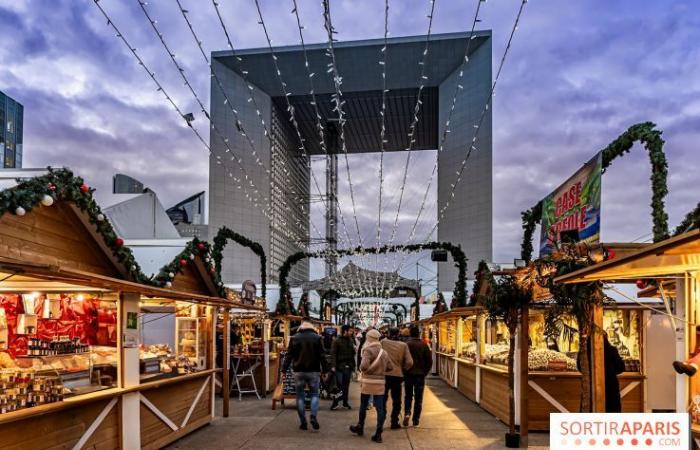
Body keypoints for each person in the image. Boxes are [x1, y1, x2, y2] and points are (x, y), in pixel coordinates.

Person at [283, 321, 328, 431]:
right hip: (314, 371)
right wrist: (325, 370)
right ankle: (313, 415)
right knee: (314, 394)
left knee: (300, 396)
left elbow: (289, 355)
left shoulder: (294, 338)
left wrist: (284, 369)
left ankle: (303, 422)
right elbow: (322, 355)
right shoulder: (318, 338)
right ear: (312, 328)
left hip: (298, 371)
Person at [350, 329, 393, 443]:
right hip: (380, 383)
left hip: (368, 382)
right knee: (380, 408)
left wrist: (365, 369)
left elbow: (364, 366)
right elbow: (390, 367)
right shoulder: (384, 352)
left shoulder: (368, 350)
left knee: (363, 405)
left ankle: (360, 427)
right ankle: (378, 433)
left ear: (369, 338)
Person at [381, 327, 413, 429]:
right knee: (397, 400)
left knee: (382, 398)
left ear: (388, 333)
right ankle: (394, 421)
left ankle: (381, 419)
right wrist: (403, 369)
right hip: (397, 375)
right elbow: (409, 362)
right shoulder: (403, 345)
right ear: (398, 333)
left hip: (384, 374)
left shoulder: (383, 342)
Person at [403, 325, 433, 427]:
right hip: (420, 375)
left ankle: (407, 413)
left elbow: (403, 360)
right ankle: (416, 420)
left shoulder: (406, 344)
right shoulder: (424, 345)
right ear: (418, 333)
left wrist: (404, 371)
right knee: (418, 398)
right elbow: (429, 361)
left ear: (410, 333)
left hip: (408, 374)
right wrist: (425, 372)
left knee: (408, 395)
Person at [331, 324, 356, 410]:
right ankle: (335, 402)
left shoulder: (351, 340)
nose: (352, 332)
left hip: (348, 366)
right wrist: (333, 366)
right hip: (339, 366)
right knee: (338, 385)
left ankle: (345, 402)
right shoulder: (337, 340)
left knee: (346, 385)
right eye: (350, 331)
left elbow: (352, 354)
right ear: (345, 331)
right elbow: (333, 354)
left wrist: (354, 366)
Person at [604, 334, 625, 412]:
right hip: (610, 386)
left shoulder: (586, 350)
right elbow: (621, 367)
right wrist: (611, 371)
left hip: (591, 386)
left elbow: (580, 367)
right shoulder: (612, 350)